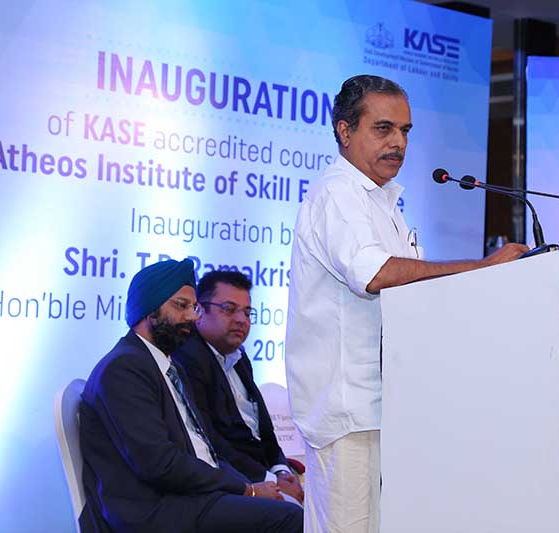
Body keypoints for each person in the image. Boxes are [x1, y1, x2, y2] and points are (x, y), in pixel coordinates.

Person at [285, 74, 528, 533]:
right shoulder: (338, 194)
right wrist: (482, 268)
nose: (398, 142)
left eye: (405, 131)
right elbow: (376, 274)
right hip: (349, 411)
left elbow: (414, 294)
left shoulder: (382, 202)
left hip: (387, 407)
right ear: (344, 131)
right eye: (383, 128)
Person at [79, 258, 302, 532]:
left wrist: (252, 485)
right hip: (154, 512)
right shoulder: (124, 368)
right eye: (180, 305)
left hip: (190, 498)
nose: (192, 316)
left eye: (193, 307)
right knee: (291, 519)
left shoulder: (168, 366)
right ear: (149, 310)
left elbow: (206, 451)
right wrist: (247, 490)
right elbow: (159, 464)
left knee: (291, 508)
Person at [173, 270, 304, 504]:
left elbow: (264, 433)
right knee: (300, 515)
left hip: (264, 474)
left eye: (247, 312)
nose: (242, 320)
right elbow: (210, 441)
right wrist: (271, 481)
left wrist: (282, 470)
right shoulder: (188, 359)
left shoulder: (239, 358)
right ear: (199, 311)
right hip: (231, 484)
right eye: (229, 309)